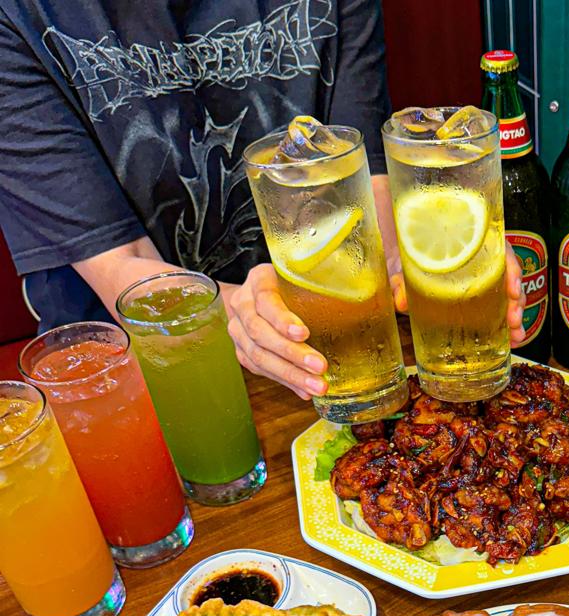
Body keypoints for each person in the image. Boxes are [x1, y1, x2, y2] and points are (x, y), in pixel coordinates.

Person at [0, 0, 525, 400]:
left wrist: (419, 260)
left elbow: (367, 180)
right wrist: (244, 315)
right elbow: (124, 264)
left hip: (343, 347)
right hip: (146, 375)